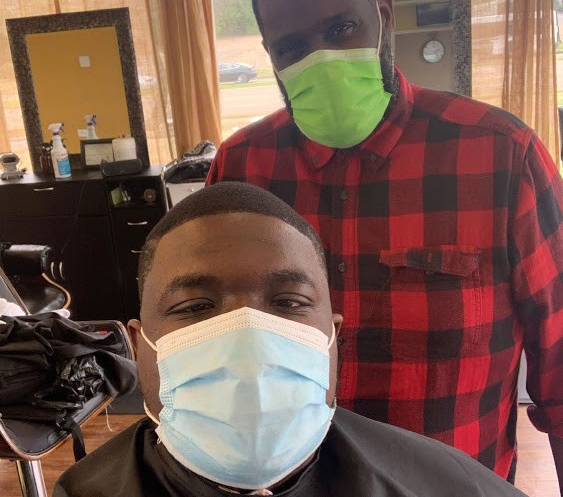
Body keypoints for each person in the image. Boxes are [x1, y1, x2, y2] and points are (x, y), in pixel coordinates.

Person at [206, 0, 563, 488]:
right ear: (271, 56)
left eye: (340, 28)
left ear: (383, 15)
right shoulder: (242, 169)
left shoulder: (500, 157)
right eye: (291, 48)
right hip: (293, 484)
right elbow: (217, 348)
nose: (320, 59)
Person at [54, 182, 526, 496]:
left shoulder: (444, 486)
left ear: (332, 337)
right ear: (141, 345)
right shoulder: (82, 492)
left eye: (288, 302)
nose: (247, 337)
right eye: (196, 307)